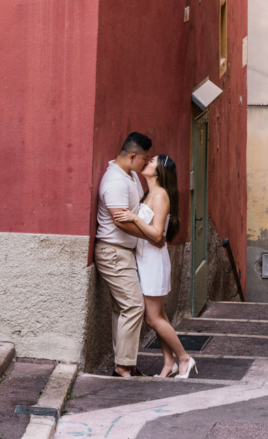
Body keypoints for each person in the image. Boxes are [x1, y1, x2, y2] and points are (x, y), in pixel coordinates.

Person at [113, 154, 196, 379]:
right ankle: (169, 363)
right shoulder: (150, 193)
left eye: (151, 162)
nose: (147, 162)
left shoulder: (159, 195)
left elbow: (157, 234)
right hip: (145, 258)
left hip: (153, 261)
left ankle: (185, 358)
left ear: (158, 172)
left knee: (152, 318)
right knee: (160, 317)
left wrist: (134, 218)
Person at [94, 131, 151, 378]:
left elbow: (135, 208)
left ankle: (124, 365)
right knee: (134, 305)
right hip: (113, 252)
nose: (146, 164)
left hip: (124, 252)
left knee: (123, 308)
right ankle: (123, 367)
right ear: (132, 155)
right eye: (144, 159)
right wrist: (149, 233)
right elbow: (119, 220)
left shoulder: (130, 176)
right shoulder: (115, 181)